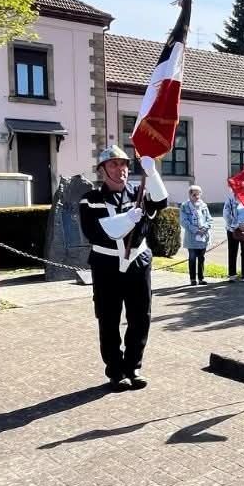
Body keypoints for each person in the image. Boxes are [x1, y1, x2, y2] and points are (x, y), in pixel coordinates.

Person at [79, 146, 169, 389]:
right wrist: (127, 219)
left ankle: (133, 366)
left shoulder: (140, 193)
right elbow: (95, 232)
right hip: (106, 264)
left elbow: (161, 201)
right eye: (113, 164)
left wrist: (152, 172)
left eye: (123, 164)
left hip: (138, 262)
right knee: (108, 318)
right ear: (102, 170)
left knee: (140, 317)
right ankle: (115, 370)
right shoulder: (91, 199)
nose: (120, 169)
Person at [180, 185, 212, 285]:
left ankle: (201, 278)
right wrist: (195, 230)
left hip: (203, 236)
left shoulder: (203, 205)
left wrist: (204, 228)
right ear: (189, 195)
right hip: (191, 237)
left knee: (201, 258)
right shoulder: (185, 206)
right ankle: (193, 279)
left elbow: (209, 219)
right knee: (192, 258)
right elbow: (183, 221)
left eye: (198, 194)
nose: (197, 197)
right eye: (194, 195)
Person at [223, 196, 244, 282]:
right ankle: (232, 275)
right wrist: (237, 225)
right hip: (233, 229)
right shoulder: (230, 200)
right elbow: (226, 214)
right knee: (232, 252)